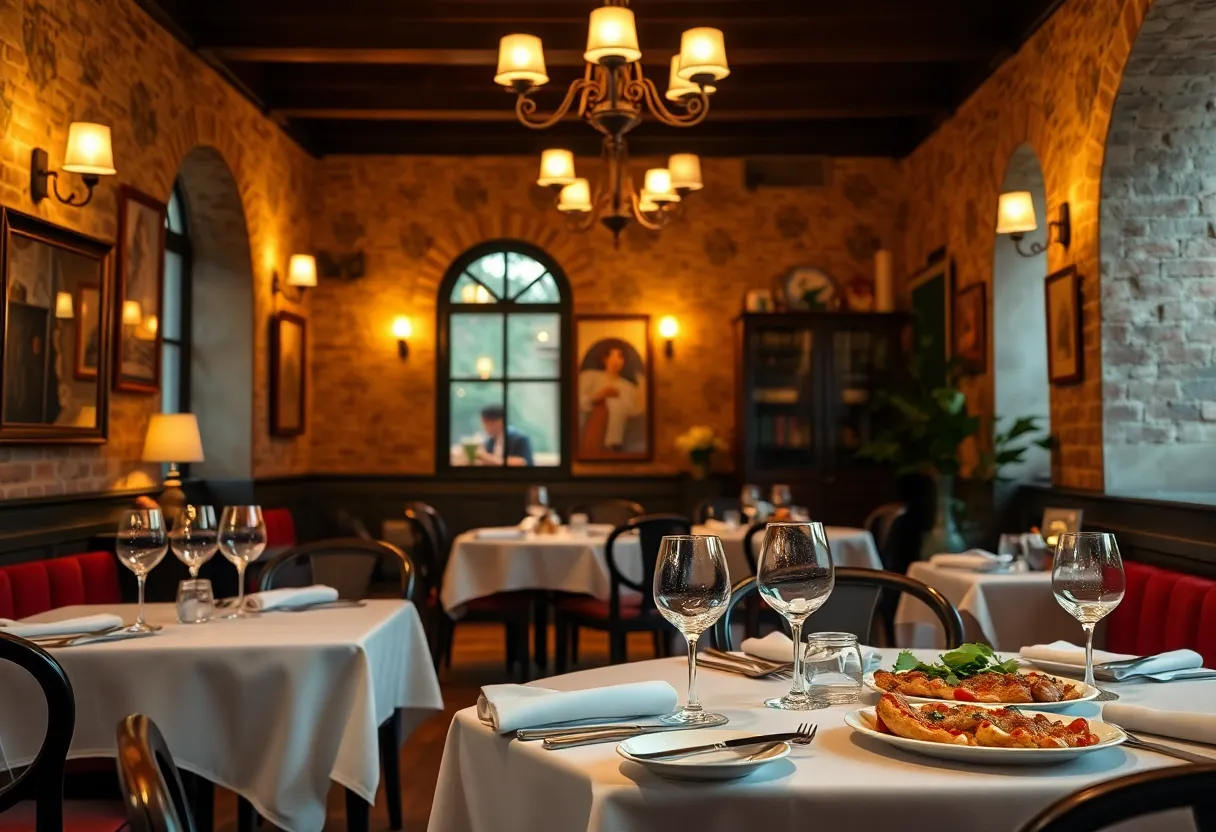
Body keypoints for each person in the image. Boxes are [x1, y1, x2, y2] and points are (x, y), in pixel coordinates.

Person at [578, 339, 645, 456]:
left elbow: (634, 411)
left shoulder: (628, 387)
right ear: (604, 359)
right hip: (591, 431)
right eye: (612, 356)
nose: (616, 361)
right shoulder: (589, 377)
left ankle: (612, 445)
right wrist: (600, 395)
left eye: (620, 357)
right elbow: (579, 402)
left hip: (618, 438)